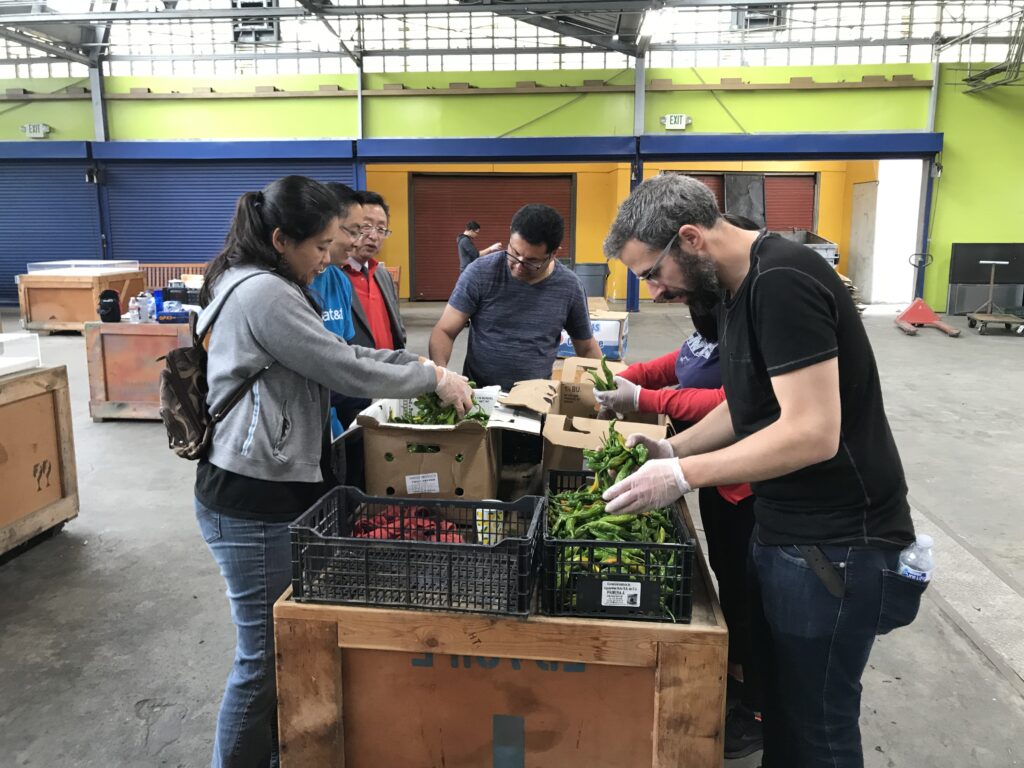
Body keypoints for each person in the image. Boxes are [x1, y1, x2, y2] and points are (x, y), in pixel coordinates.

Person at [600, 173, 921, 768]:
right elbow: (746, 405)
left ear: (690, 238)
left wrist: (683, 477)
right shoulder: (740, 289)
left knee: (815, 726)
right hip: (789, 530)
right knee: (785, 709)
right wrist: (676, 451)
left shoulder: (782, 282)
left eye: (652, 274)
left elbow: (811, 432)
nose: (656, 291)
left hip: (835, 541)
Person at [194, 175, 473, 768]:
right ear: (279, 239)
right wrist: (432, 377)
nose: (329, 259)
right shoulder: (262, 293)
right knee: (264, 655)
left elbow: (344, 352)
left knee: (286, 640)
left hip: (278, 484)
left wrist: (416, 362)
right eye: (321, 246)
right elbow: (339, 367)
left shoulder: (272, 284)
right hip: (251, 496)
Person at [594, 319, 763, 761]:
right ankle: (739, 674)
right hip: (718, 477)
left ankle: (759, 706)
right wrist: (629, 379)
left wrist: (645, 400)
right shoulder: (712, 329)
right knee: (729, 578)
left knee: (754, 596)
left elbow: (731, 401)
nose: (657, 291)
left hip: (753, 486)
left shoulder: (752, 324)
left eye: (655, 276)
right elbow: (681, 363)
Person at [429, 203, 601, 391]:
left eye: (532, 261)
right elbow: (444, 331)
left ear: (553, 254)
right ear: (510, 234)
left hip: (534, 400)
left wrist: (604, 386)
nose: (518, 266)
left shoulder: (569, 287)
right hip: (478, 397)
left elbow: (586, 347)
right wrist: (442, 377)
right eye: (515, 253)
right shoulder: (480, 273)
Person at [342, 190, 406, 351]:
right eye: (366, 226)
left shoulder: (382, 275)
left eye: (381, 229)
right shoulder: (331, 275)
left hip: (389, 370)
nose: (374, 236)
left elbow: (397, 327)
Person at [309, 182, 363, 342]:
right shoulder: (286, 283)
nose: (357, 242)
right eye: (353, 232)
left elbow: (344, 348)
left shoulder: (339, 280)